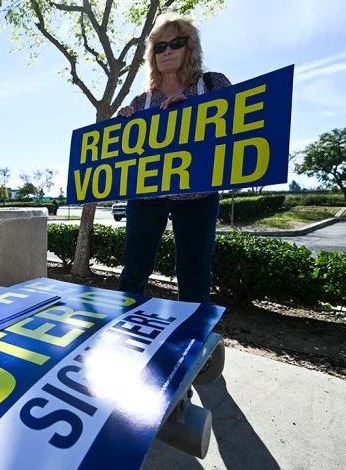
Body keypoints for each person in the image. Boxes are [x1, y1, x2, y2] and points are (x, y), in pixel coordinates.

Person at [115, 13, 231, 304]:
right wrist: (123, 122)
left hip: (198, 195)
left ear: (189, 48)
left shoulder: (213, 84)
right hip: (146, 195)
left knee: (195, 274)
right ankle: (123, 325)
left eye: (176, 43)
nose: (167, 51)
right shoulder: (143, 101)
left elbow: (236, 125)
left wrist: (194, 110)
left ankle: (192, 330)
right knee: (134, 271)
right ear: (152, 55)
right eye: (160, 47)